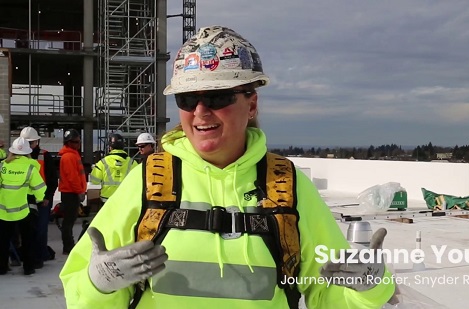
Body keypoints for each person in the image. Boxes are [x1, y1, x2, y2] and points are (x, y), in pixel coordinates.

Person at [60, 26, 395, 308]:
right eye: (187, 99)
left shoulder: (288, 187)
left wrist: (370, 286)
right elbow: (78, 292)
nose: (201, 111)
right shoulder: (148, 180)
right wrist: (98, 282)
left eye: (218, 96)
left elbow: (327, 293)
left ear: (251, 104)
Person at [0, 137, 46, 275]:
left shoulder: (2, 166)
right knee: (28, 239)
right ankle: (28, 268)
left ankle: (1, 268)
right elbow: (40, 187)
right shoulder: (30, 167)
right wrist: (39, 199)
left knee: (2, 241)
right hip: (24, 210)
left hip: (4, 211)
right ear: (27, 152)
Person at [20, 126, 58, 265]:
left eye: (31, 142)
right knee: (27, 230)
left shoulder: (44, 155)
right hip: (24, 199)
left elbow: (52, 179)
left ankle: (40, 256)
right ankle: (28, 256)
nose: (30, 145)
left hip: (42, 201)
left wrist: (48, 197)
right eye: (27, 143)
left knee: (41, 230)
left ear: (37, 142)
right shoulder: (18, 157)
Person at [58, 129, 87, 254]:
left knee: (69, 221)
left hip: (71, 192)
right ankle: (68, 246)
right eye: (75, 142)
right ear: (69, 143)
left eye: (79, 142)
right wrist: (80, 191)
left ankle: (69, 245)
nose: (78, 144)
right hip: (71, 193)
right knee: (68, 222)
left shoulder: (72, 154)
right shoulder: (69, 156)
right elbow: (72, 177)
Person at [90, 133, 137, 205]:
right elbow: (137, 182)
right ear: (123, 146)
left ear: (110, 147)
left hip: (107, 200)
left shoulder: (102, 162)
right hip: (125, 200)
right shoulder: (132, 163)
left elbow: (94, 181)